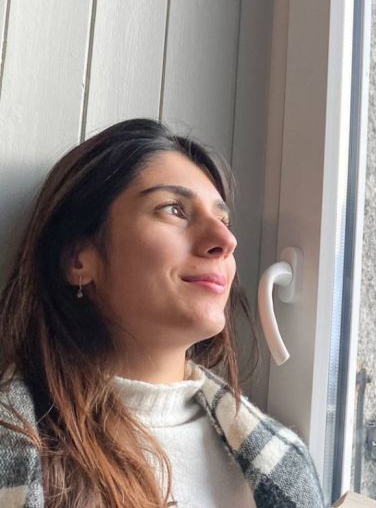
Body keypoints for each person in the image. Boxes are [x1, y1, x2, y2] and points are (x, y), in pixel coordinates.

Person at [0, 119, 325, 508]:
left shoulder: (282, 461)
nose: (225, 241)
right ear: (77, 259)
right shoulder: (16, 443)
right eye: (174, 209)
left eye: (223, 220)